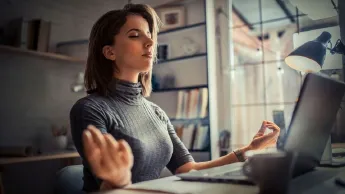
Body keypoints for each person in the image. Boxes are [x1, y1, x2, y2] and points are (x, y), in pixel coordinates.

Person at [69, 3, 281, 192]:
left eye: (149, 34)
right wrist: (119, 179)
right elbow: (108, 184)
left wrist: (250, 150)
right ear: (109, 52)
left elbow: (190, 169)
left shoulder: (156, 112)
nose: (150, 41)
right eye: (135, 35)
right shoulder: (90, 109)